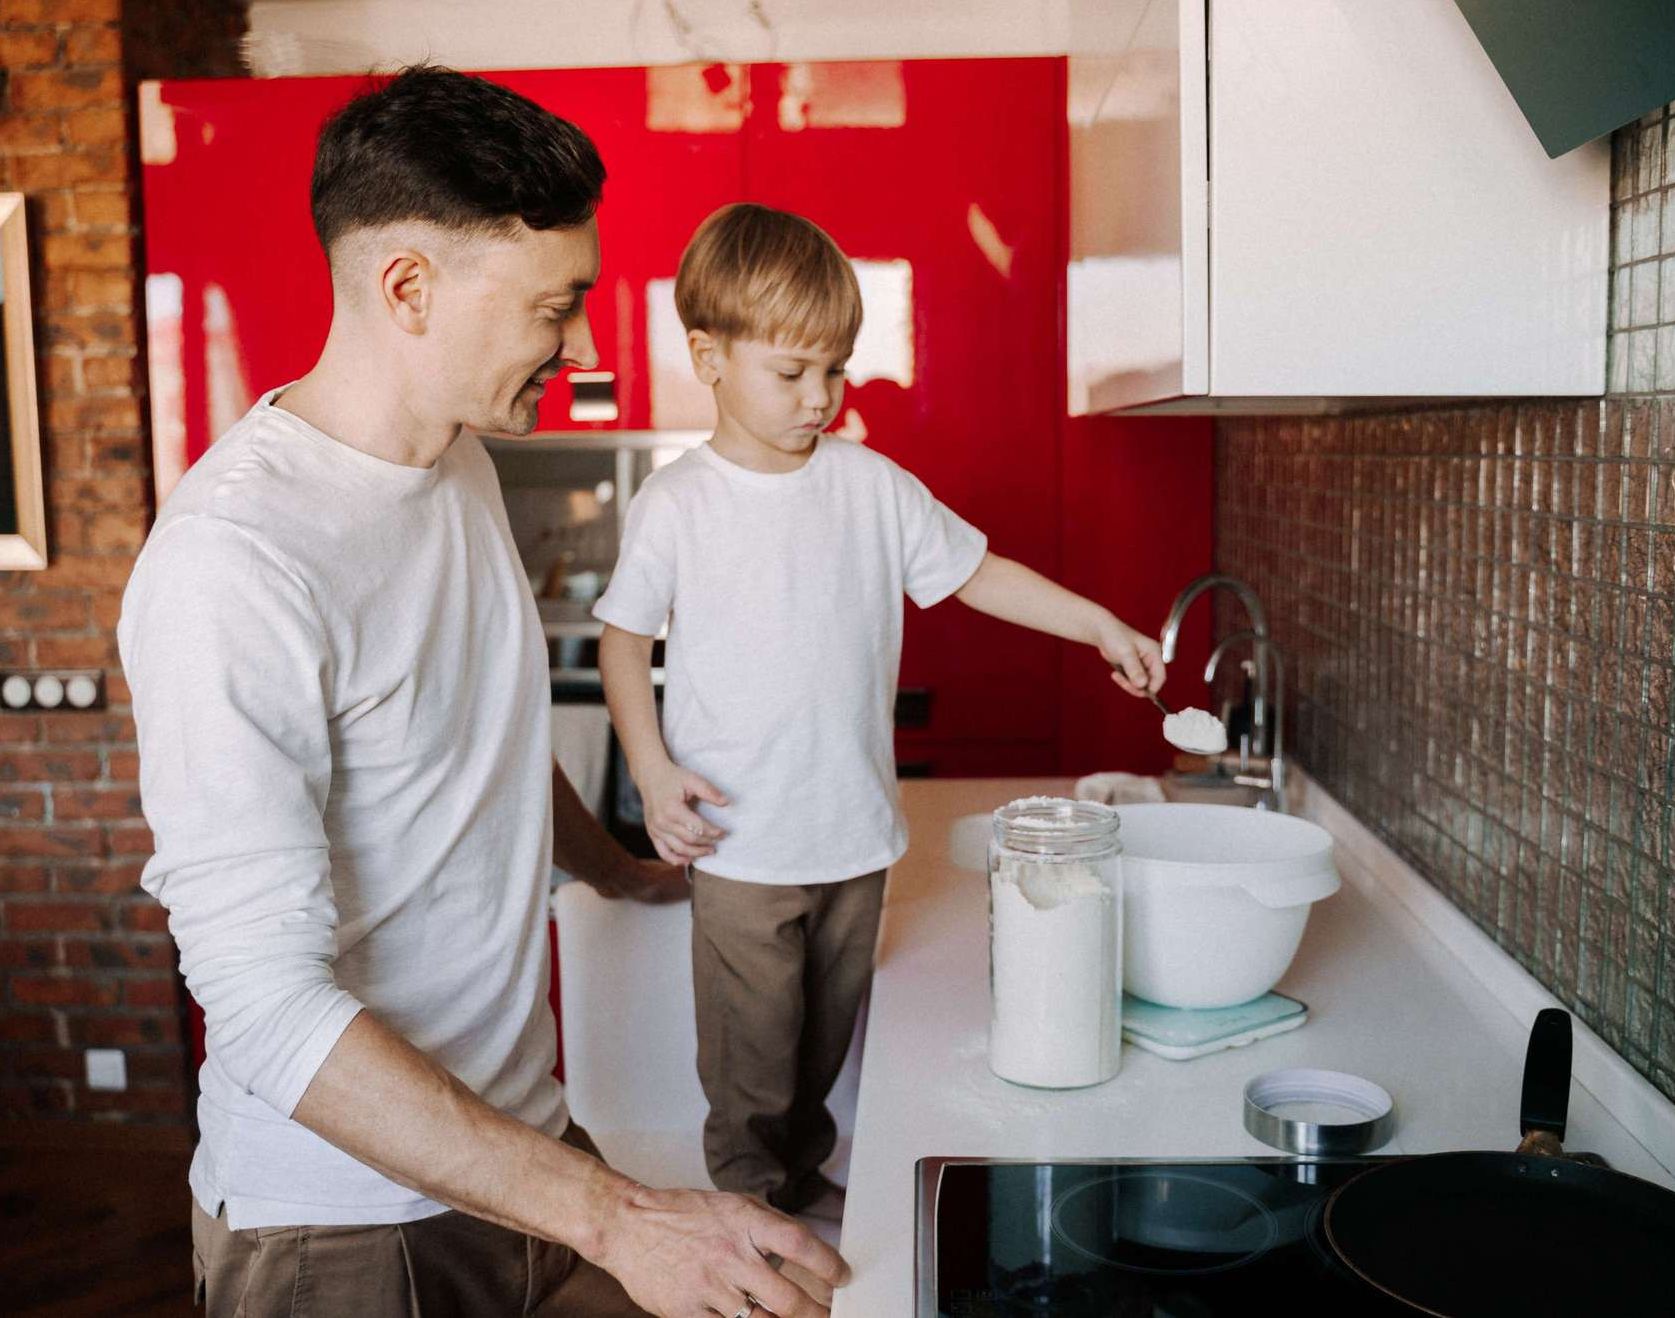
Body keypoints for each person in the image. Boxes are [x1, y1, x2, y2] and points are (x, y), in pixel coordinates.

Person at [119, 69, 846, 1318]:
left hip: (516, 1141)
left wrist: (610, 865)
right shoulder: (233, 564)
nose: (576, 346)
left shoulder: (454, 459)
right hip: (343, 1226)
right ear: (408, 288)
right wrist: (618, 1212)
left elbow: (478, 730)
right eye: (553, 307)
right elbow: (261, 1004)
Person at [594, 203, 1167, 1222]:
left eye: (836, 370)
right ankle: (749, 1215)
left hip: (854, 838)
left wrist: (1097, 625)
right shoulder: (677, 503)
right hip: (739, 840)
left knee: (820, 1044)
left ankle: (795, 1174)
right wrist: (648, 772)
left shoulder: (871, 486)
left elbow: (979, 571)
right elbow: (624, 643)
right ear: (707, 355)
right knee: (751, 1056)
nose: (820, 397)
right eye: (792, 372)